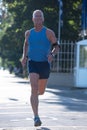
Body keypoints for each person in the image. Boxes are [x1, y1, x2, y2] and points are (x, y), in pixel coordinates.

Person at [21, 9, 59, 127]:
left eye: (40, 17)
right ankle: (36, 117)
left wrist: (51, 54)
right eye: (35, 17)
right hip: (32, 63)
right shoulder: (28, 33)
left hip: (44, 64)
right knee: (34, 88)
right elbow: (26, 44)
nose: (38, 19)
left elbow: (56, 46)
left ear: (43, 19)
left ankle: (36, 96)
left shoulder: (49, 33)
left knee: (40, 92)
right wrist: (24, 56)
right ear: (33, 19)